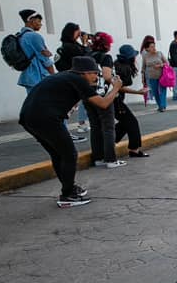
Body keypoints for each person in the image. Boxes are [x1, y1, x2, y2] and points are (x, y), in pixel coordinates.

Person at [19, 56, 123, 207]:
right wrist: (116, 88)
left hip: (28, 117)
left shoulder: (65, 77)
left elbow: (67, 98)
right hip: (46, 119)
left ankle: (69, 188)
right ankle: (67, 195)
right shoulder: (78, 80)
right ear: (85, 72)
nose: (96, 77)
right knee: (69, 154)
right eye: (95, 73)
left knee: (57, 153)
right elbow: (103, 104)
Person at [85, 32, 126, 168]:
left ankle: (98, 158)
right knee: (108, 127)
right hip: (103, 95)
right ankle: (110, 159)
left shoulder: (88, 56)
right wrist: (117, 83)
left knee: (95, 127)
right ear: (105, 44)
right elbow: (108, 76)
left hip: (88, 94)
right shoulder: (106, 57)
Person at [113, 45, 150, 158]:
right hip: (115, 100)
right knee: (132, 122)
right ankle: (134, 149)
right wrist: (138, 92)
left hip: (115, 99)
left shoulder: (118, 65)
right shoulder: (124, 68)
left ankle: (108, 143)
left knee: (126, 123)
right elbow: (119, 87)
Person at [56, 23, 91, 134]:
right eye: (78, 32)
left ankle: (67, 130)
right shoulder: (69, 47)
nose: (79, 35)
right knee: (68, 107)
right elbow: (84, 58)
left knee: (72, 106)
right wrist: (85, 43)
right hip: (71, 81)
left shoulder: (68, 45)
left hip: (69, 79)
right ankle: (63, 131)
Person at [15, 9, 55, 93]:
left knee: (34, 104)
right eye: (39, 21)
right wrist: (54, 77)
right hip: (39, 77)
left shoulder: (20, 36)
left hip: (28, 77)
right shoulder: (34, 36)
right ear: (31, 20)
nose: (41, 24)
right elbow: (45, 60)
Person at [141, 39, 169, 112]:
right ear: (147, 49)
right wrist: (142, 78)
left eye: (154, 46)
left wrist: (160, 65)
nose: (154, 48)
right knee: (155, 92)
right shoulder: (145, 56)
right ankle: (160, 106)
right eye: (151, 47)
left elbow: (167, 63)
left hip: (162, 76)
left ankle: (163, 106)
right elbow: (143, 68)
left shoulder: (159, 53)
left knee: (163, 91)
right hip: (152, 77)